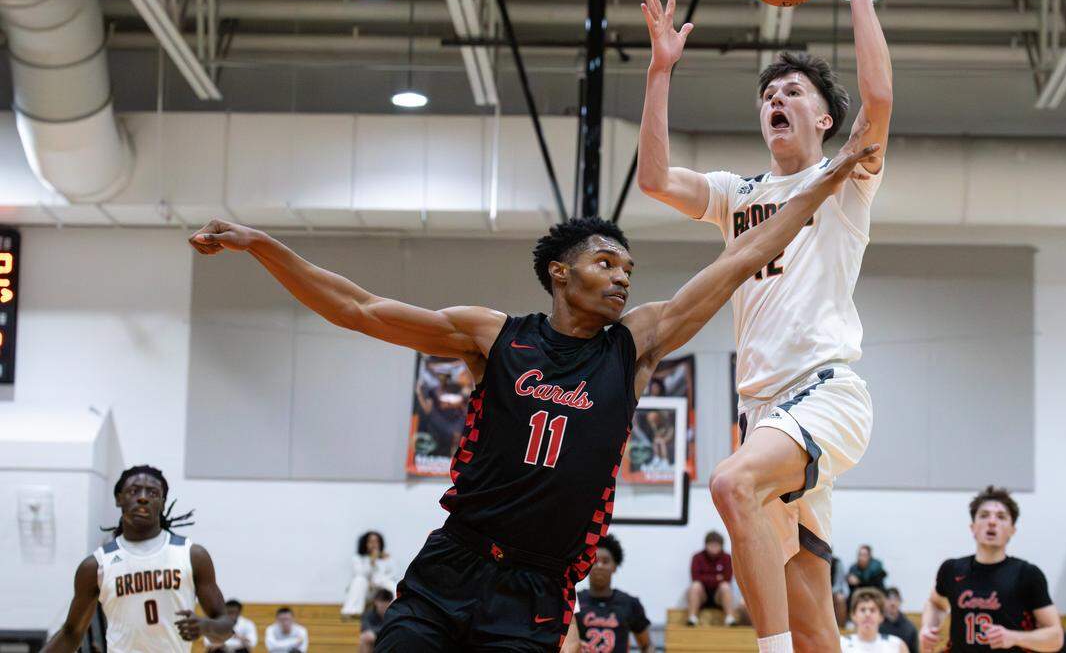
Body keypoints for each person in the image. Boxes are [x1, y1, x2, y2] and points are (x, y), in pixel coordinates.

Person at [188, 133, 877, 653]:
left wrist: (822, 182)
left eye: (629, 268)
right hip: (451, 564)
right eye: (605, 262)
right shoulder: (493, 336)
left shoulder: (633, 345)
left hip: (538, 588)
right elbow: (359, 308)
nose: (622, 278)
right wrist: (261, 244)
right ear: (558, 272)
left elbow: (743, 258)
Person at [636, 0, 893, 653]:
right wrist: (660, 72)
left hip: (824, 393)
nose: (775, 98)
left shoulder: (842, 177)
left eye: (792, 90)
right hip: (762, 412)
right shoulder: (738, 193)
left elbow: (878, 103)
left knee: (728, 483)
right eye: (768, 92)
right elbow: (653, 177)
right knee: (817, 627)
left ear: (822, 116)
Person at [40, 465, 233, 653]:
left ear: (163, 502)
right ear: (118, 498)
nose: (142, 498)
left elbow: (225, 627)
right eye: (134, 491)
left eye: (152, 493)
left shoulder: (191, 555)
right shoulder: (96, 565)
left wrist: (205, 626)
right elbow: (71, 633)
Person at [919, 486, 1063, 652]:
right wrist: (927, 627)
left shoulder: (1027, 574)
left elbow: (1055, 637)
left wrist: (1014, 637)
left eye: (1001, 517)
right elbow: (936, 603)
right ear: (973, 528)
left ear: (1012, 530)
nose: (992, 522)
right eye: (984, 515)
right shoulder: (951, 569)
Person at [574, 534, 653, 653]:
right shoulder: (574, 602)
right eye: (595, 561)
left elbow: (647, 646)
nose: (599, 566)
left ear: (614, 566)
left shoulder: (630, 603)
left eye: (605, 561)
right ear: (587, 566)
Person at [340, 530, 398, 616]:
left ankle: (396, 611)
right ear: (365, 543)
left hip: (381, 590)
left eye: (376, 541)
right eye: (371, 541)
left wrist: (377, 581)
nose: (374, 544)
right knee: (360, 580)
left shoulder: (387, 558)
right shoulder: (358, 558)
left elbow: (393, 574)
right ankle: (352, 611)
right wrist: (372, 560)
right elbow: (359, 573)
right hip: (366, 591)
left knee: (392, 584)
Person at [687, 531, 736, 626]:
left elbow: (727, 578)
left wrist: (706, 577)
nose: (714, 548)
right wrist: (717, 578)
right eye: (711, 545)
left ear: (721, 546)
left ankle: (730, 617)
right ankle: (692, 617)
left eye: (716, 545)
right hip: (702, 595)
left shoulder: (727, 558)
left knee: (725, 586)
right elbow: (695, 577)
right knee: (695, 586)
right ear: (706, 545)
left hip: (719, 596)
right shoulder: (697, 557)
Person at [842, 588, 907, 653]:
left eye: (872, 610)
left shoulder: (897, 645)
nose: (867, 614)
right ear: (853, 615)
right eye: (862, 610)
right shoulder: (842, 644)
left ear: (881, 616)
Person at [880, 588, 918, 653]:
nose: (892, 603)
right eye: (889, 599)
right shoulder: (877, 624)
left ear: (900, 601)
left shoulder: (909, 628)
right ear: (883, 601)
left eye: (896, 599)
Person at [360, 589, 395, 653]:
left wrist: (375, 633)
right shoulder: (368, 614)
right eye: (382, 602)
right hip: (374, 640)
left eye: (386, 602)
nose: (384, 605)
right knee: (365, 638)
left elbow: (393, 629)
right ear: (375, 602)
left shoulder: (394, 614)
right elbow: (365, 627)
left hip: (390, 640)